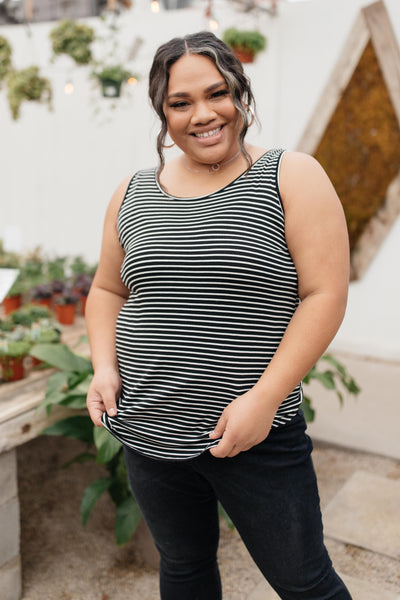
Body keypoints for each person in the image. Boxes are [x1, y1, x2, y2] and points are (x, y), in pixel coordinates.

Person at [86, 31, 352, 600]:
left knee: (306, 584)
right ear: (162, 112)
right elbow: (107, 290)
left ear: (240, 92)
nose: (203, 115)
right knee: (183, 567)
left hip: (256, 437)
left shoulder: (290, 175)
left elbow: (325, 295)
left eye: (218, 93)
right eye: (181, 103)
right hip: (146, 430)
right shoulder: (132, 193)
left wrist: (263, 400)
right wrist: (103, 368)